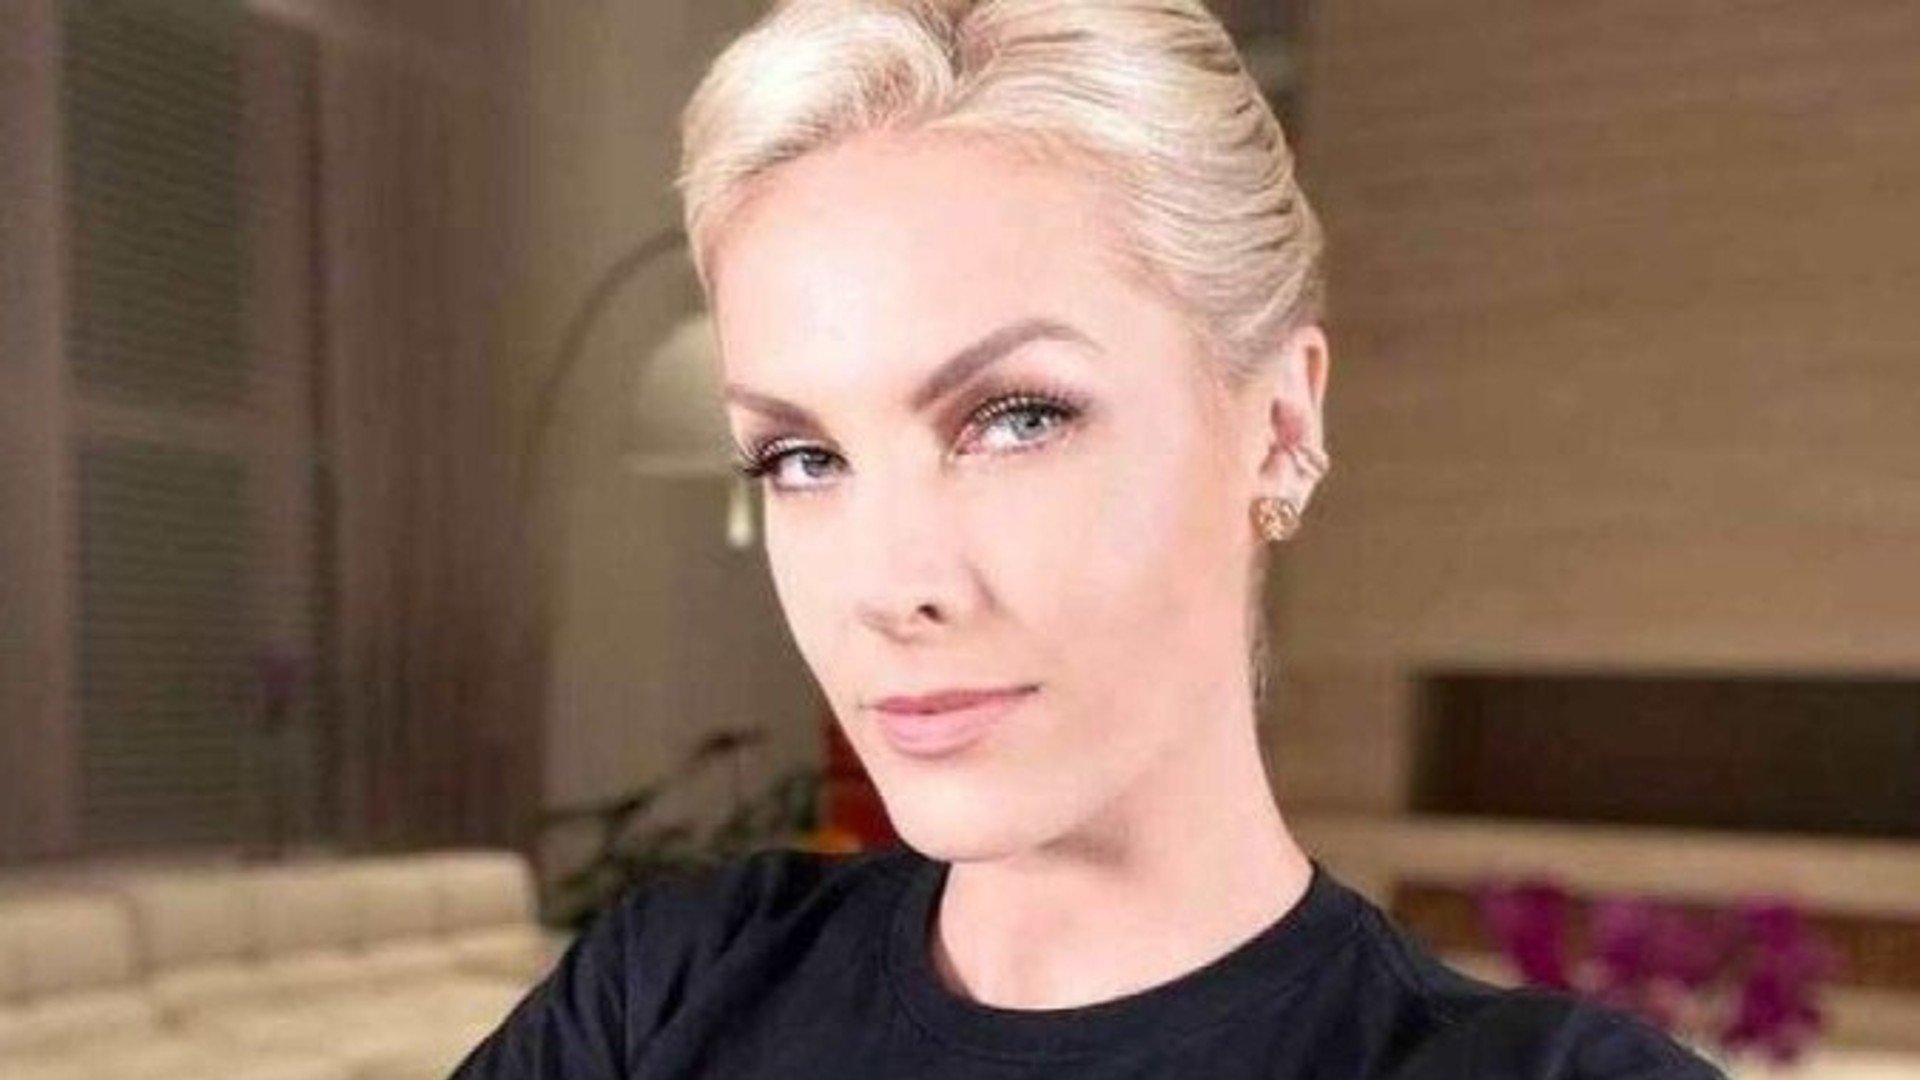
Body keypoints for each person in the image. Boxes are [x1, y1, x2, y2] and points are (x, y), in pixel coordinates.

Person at [454, 2, 1727, 1077]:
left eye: (1016, 420)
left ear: (1280, 427)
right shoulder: (665, 993)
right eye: (804, 457)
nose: (891, 585)